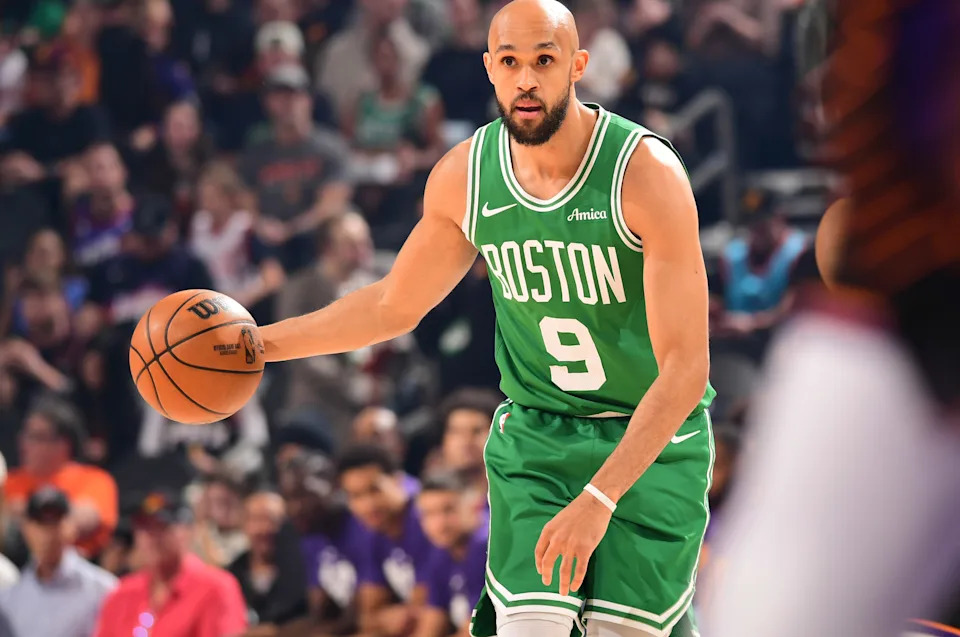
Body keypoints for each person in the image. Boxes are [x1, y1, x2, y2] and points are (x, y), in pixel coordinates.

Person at [258, 2, 714, 637]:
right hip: (539, 438)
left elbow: (687, 369)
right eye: (510, 62)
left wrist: (602, 496)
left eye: (544, 61)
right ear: (490, 70)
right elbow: (393, 305)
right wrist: (258, 345)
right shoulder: (465, 178)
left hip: (650, 441)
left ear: (578, 66)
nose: (526, 78)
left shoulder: (645, 175)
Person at [93, 490, 248, 637]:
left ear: (188, 531)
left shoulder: (216, 587)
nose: (151, 537)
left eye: (162, 527)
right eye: (143, 527)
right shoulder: (122, 592)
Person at [337, 444, 436, 636]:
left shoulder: (425, 521)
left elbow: (417, 614)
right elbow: (368, 617)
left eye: (374, 490)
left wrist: (397, 617)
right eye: (356, 496)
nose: (368, 505)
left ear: (398, 481)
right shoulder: (370, 531)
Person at [3, 396, 118, 558]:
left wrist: (24, 512)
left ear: (63, 444)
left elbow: (84, 518)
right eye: (25, 435)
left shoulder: (94, 479)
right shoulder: (10, 481)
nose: (25, 444)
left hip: (77, 570)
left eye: (36, 437)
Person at [279, 451, 375, 634]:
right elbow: (320, 614)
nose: (295, 508)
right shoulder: (311, 535)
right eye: (288, 498)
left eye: (304, 495)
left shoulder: (364, 527)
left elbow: (360, 618)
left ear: (335, 486)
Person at [0, 487, 117, 637]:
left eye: (55, 522)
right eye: (40, 523)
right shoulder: (10, 597)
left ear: (71, 526)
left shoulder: (104, 589)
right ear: (26, 529)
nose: (47, 533)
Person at [415, 473, 488, 637]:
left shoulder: (485, 545)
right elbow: (433, 619)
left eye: (449, 510)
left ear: (475, 506)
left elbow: (476, 631)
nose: (439, 523)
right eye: (429, 514)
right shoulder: (440, 552)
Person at [227, 489, 308, 629]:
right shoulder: (230, 577)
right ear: (244, 524)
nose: (265, 528)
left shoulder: (306, 570)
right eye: (257, 519)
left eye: (274, 520)